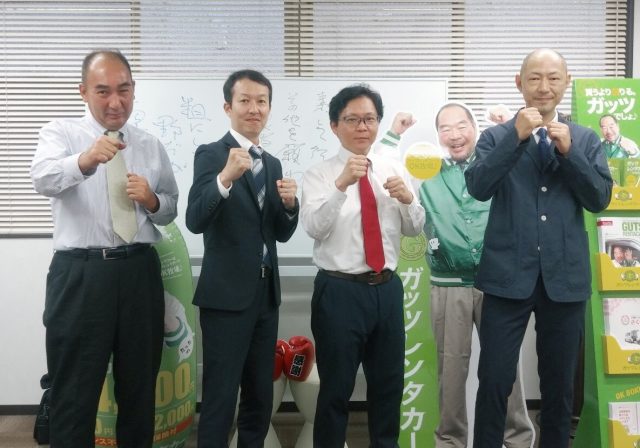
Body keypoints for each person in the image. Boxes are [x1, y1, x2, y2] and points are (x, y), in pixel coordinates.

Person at [30, 49, 179, 447]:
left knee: (139, 388)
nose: (116, 101)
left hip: (138, 272)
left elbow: (170, 208)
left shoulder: (149, 144)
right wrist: (85, 160)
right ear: (83, 91)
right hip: (81, 274)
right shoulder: (61, 133)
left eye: (124, 90)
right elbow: (42, 179)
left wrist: (152, 200)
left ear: (134, 90)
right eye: (103, 91)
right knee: (73, 393)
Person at [465, 48, 612, 448]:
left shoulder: (585, 138)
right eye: (534, 78)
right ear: (519, 83)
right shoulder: (496, 136)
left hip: (565, 280)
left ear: (566, 82)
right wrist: (515, 137)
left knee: (560, 386)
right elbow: (478, 187)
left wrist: (570, 153)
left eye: (553, 77)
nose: (544, 86)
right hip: (505, 278)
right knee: (494, 380)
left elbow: (599, 198)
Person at [379, 103, 535, 447]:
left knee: (506, 369)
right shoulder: (425, 169)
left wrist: (511, 125)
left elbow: (529, 166)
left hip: (498, 283)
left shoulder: (495, 162)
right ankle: (450, 441)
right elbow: (382, 170)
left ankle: (517, 439)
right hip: (448, 284)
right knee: (450, 372)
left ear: (475, 129)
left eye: (462, 126)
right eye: (445, 128)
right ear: (437, 135)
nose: (454, 135)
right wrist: (393, 134)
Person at [300, 84, 426, 447]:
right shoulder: (320, 174)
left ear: (378, 123)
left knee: (388, 386)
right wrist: (341, 185)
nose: (362, 127)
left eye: (369, 119)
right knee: (336, 389)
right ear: (334, 126)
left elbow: (414, 228)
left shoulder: (393, 167)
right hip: (339, 291)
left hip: (386, 290)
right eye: (352, 119)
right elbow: (314, 227)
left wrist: (408, 200)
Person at [186, 69, 299, 447]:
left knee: (260, 395)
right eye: (245, 100)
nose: (254, 108)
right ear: (228, 107)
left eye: (261, 101)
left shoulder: (273, 163)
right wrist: (224, 178)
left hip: (265, 296)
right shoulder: (211, 154)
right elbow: (195, 219)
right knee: (220, 396)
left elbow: (279, 233)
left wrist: (290, 206)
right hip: (225, 299)